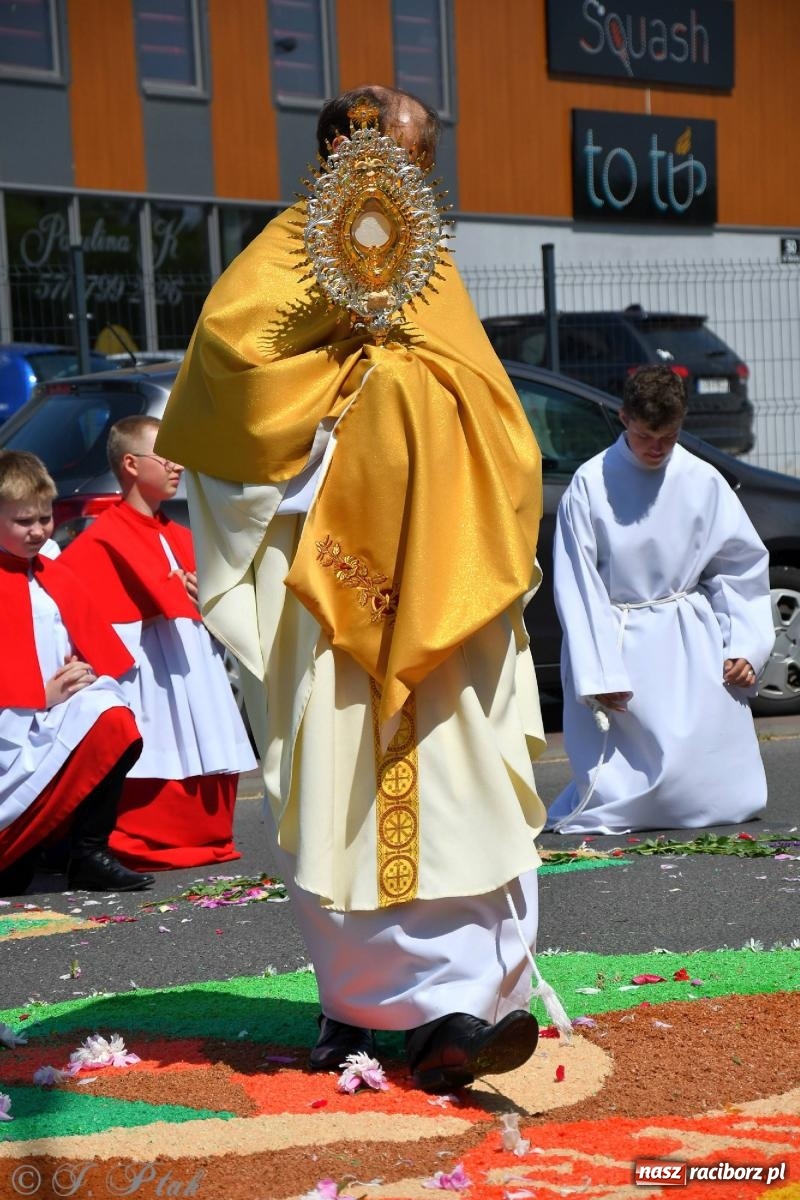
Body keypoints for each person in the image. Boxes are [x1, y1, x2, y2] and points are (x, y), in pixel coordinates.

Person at [155, 85, 564, 1093]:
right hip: (330, 588)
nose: (415, 182)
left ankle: (458, 1014)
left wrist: (422, 432)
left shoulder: (430, 270)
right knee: (338, 791)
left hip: (443, 575)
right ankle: (356, 1006)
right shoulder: (287, 255)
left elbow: (497, 423)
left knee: (457, 790)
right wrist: (335, 427)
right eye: (399, 154)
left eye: (426, 163)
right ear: (341, 145)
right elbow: (229, 375)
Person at [547, 363, 774, 835]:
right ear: (626, 418)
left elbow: (740, 564)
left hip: (686, 633)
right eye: (648, 435)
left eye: (668, 437)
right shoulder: (590, 484)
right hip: (618, 635)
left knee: (713, 779)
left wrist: (746, 645)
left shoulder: (702, 479)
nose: (657, 448)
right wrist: (598, 670)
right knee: (621, 779)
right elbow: (578, 584)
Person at [59, 416, 256, 870]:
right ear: (130, 464)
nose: (177, 466)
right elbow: (77, 612)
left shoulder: (184, 535)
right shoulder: (104, 538)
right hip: (149, 673)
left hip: (193, 669)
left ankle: (205, 831)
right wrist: (143, 611)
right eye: (163, 455)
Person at [0, 450, 153, 896]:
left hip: (43, 717)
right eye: (23, 521)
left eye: (44, 518)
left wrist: (76, 667)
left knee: (112, 717)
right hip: (12, 727)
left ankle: (87, 853)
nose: (38, 531)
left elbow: (77, 639)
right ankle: (38, 849)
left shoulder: (49, 572)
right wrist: (37, 695)